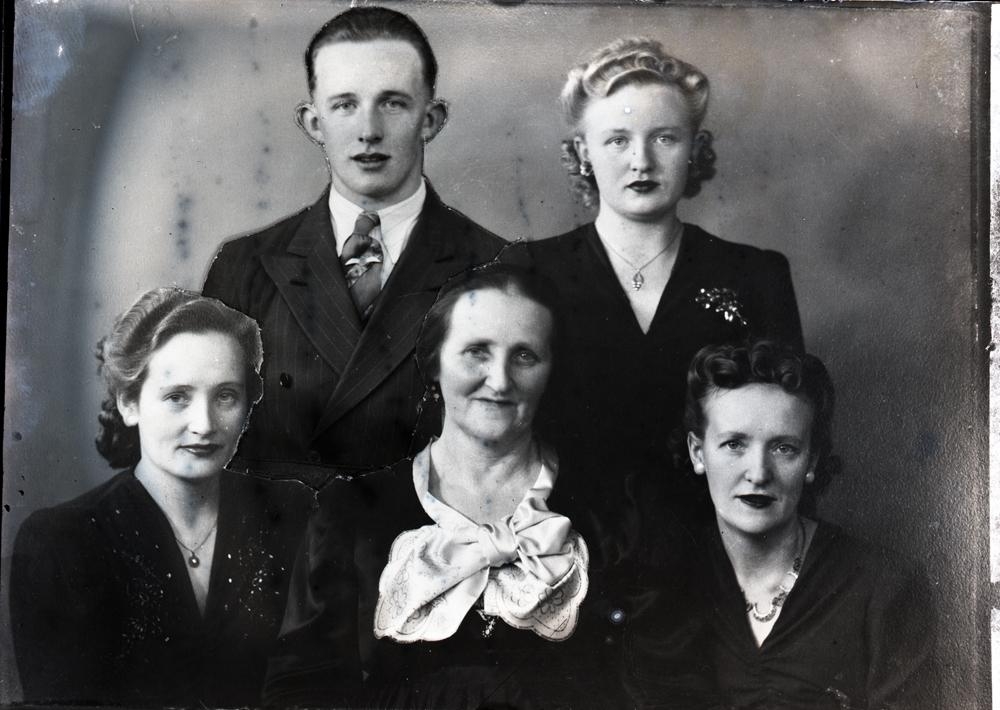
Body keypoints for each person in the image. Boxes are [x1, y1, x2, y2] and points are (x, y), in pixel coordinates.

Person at [263, 265, 630, 709]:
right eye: (476, 351)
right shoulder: (349, 512)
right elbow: (300, 691)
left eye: (525, 356)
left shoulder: (613, 512)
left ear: (551, 371)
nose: (499, 380)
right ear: (434, 362)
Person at [203, 7, 508, 479]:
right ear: (313, 123)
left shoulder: (497, 267)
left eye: (393, 103)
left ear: (431, 119)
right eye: (345, 105)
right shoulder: (246, 268)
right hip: (279, 526)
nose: (369, 131)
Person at [528, 38, 803, 542]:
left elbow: (787, 432)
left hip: (718, 547)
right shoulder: (527, 272)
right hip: (560, 545)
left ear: (695, 149)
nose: (641, 161)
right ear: (584, 153)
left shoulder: (756, 275)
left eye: (664, 138)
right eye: (617, 140)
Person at [10, 288, 309, 707]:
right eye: (177, 397)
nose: (204, 425)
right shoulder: (62, 542)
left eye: (225, 396)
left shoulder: (294, 515)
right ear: (128, 403)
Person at [628, 340, 937, 709]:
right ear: (698, 452)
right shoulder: (667, 584)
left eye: (783, 448)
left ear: (811, 461)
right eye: (734, 444)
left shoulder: (884, 587)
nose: (758, 473)